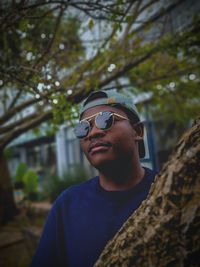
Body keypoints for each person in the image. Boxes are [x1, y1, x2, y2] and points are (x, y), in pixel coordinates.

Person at [31, 90, 157, 267]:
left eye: (105, 119)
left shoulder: (168, 189)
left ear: (137, 130)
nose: (93, 133)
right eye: (83, 128)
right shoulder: (67, 205)